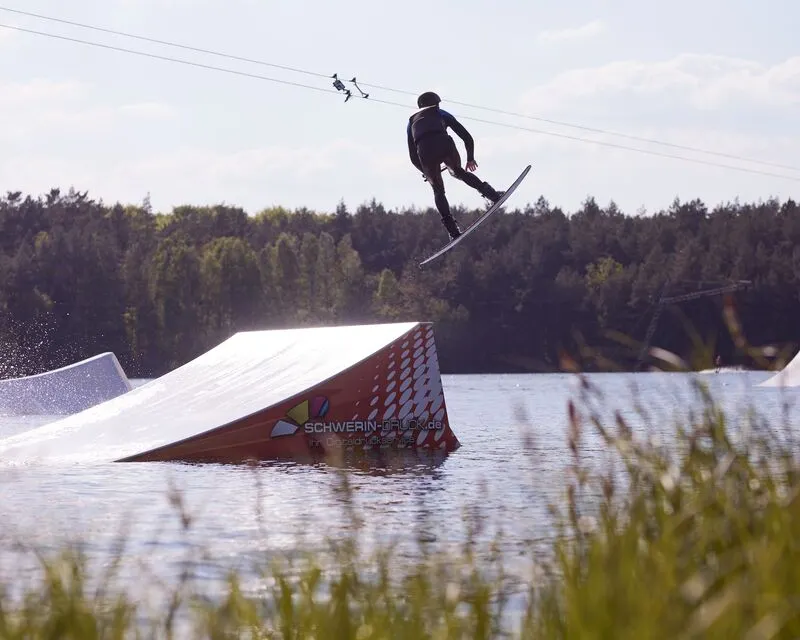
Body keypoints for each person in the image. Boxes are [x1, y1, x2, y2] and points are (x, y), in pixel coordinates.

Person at [407, 91, 504, 240]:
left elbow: (413, 156)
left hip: (425, 152)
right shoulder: (441, 113)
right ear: (437, 104)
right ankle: (493, 195)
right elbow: (466, 136)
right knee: (458, 172)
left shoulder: (411, 123)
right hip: (444, 144)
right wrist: (470, 158)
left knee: (438, 190)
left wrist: (425, 171)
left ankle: (452, 230)